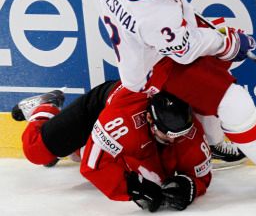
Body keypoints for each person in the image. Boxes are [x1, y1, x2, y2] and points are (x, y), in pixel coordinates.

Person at [56, 0, 256, 197]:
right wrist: (229, 43)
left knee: (217, 63)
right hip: (157, 69)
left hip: (150, 53)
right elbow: (187, 50)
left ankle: (215, 142)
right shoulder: (155, 15)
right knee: (233, 102)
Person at [19, 83, 211, 212]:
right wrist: (132, 189)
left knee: (161, 178)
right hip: (101, 107)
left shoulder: (189, 131)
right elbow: (93, 166)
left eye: (179, 135)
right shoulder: (122, 122)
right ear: (149, 118)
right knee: (35, 151)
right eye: (167, 134)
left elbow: (200, 176)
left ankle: (76, 148)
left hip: (130, 124)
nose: (174, 140)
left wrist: (189, 186)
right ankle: (45, 107)